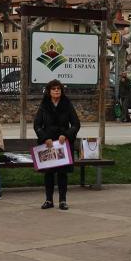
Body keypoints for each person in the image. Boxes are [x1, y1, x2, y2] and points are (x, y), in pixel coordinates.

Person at [33, 79, 80, 210]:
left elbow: (76, 124)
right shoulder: (44, 105)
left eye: (58, 89)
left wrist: (66, 135)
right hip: (48, 144)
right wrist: (44, 137)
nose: (56, 91)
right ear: (49, 91)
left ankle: (63, 200)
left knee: (62, 173)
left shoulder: (67, 104)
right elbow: (37, 125)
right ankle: (48, 200)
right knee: (49, 173)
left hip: (62, 143)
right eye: (53, 89)